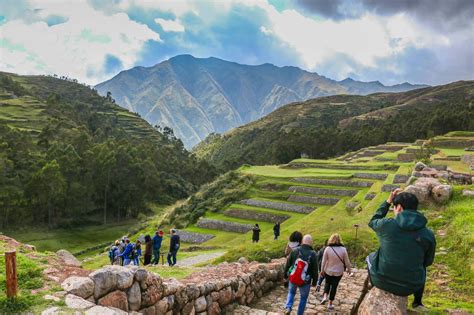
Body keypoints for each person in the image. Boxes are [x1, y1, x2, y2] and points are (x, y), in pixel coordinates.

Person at [367, 189, 435, 309]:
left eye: (394, 207)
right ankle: (417, 302)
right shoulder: (428, 234)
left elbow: (373, 221)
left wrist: (388, 202)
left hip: (381, 281)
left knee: (370, 257)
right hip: (410, 287)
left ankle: (373, 288)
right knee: (422, 268)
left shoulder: (386, 225)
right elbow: (428, 262)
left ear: (398, 208)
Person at [284, 234, 318, 315]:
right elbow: (315, 270)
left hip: (293, 277)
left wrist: (285, 275)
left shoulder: (295, 250)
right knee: (303, 298)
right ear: (311, 243)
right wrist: (314, 282)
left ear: (302, 241)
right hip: (305, 281)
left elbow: (288, 264)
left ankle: (288, 307)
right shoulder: (313, 254)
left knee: (291, 293)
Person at [320, 233, 352, 310]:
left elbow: (323, 261)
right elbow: (347, 262)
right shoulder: (343, 249)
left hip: (328, 270)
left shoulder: (327, 249)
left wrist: (321, 270)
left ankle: (324, 296)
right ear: (339, 240)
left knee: (327, 283)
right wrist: (349, 270)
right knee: (334, 286)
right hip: (338, 272)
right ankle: (330, 304)